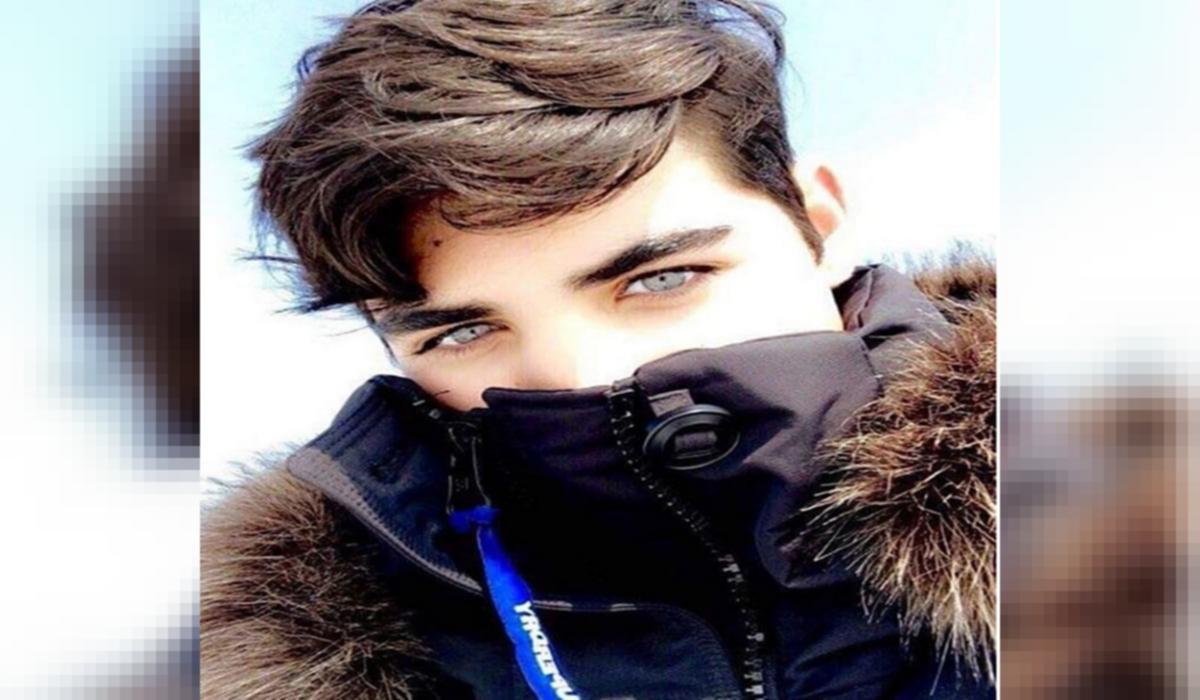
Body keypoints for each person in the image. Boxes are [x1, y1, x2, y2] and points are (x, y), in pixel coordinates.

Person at [201, 1, 996, 698]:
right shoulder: (297, 644)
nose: (585, 377)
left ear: (818, 224)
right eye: (463, 333)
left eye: (662, 279)